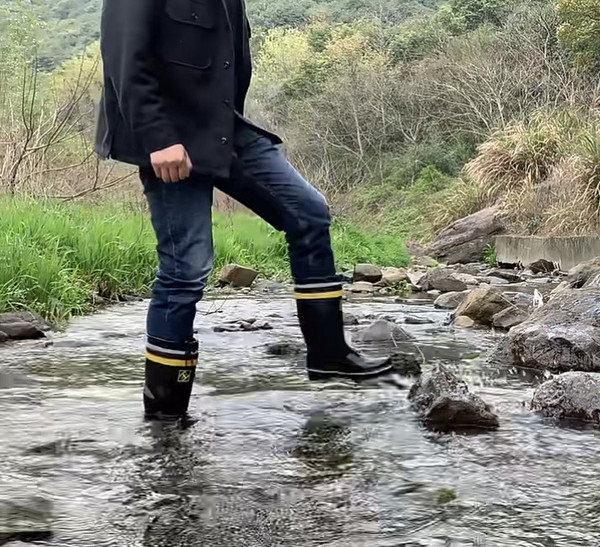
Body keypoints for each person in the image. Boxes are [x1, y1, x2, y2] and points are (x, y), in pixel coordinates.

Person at [94, 0, 395, 423]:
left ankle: (328, 354)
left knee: (308, 212)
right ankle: (164, 413)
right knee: (186, 270)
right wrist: (156, 137)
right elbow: (123, 58)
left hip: (223, 131)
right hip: (169, 141)